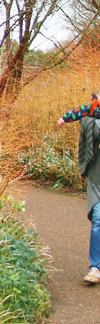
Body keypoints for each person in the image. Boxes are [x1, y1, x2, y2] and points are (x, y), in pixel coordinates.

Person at [56, 104, 100, 284]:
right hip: (98, 178)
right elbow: (80, 111)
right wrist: (65, 118)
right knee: (98, 218)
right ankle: (95, 267)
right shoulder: (94, 110)